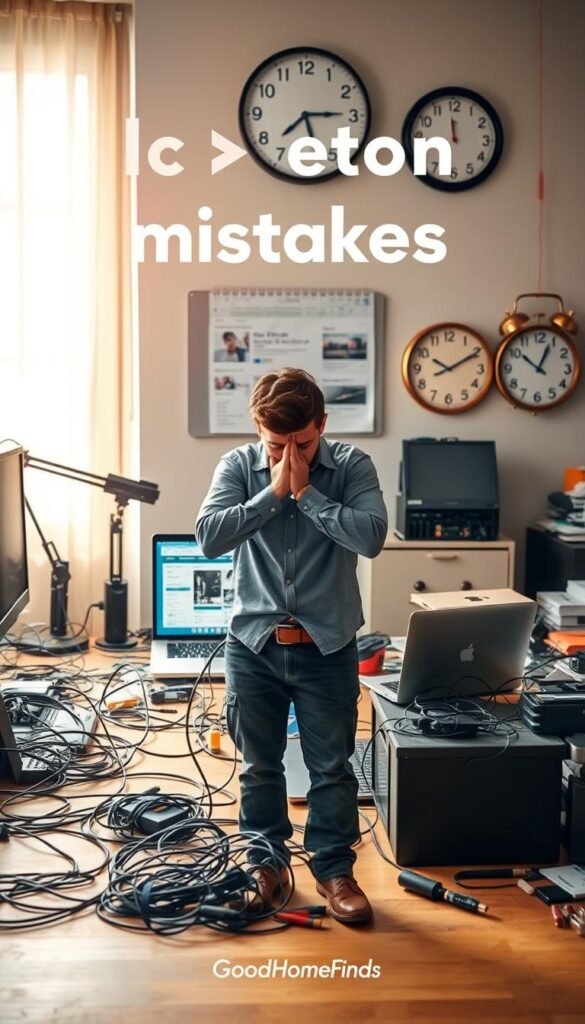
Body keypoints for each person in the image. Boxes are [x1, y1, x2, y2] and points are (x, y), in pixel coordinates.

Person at [196, 367, 387, 925]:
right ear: (259, 431)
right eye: (276, 445)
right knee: (260, 766)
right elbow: (209, 536)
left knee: (332, 767)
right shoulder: (237, 466)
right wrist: (274, 490)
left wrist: (305, 495)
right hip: (253, 646)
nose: (289, 455)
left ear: (321, 425)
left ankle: (333, 870)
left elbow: (371, 537)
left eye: (301, 444)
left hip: (327, 646)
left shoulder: (351, 466)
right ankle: (267, 865)